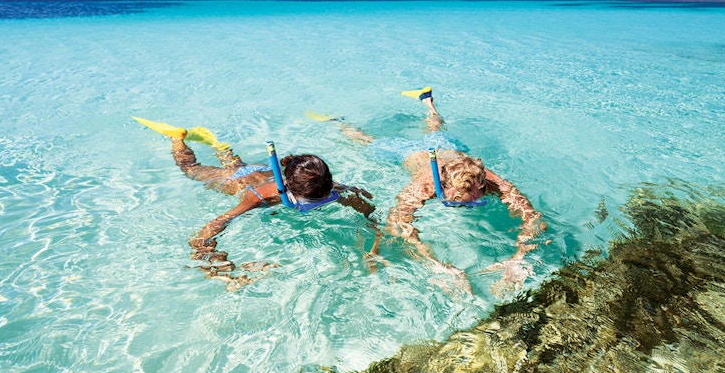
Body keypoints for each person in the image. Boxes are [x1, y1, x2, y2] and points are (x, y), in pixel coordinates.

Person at [334, 87, 544, 296]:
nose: (468, 206)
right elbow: (397, 223)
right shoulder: (425, 186)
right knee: (367, 142)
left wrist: (519, 259)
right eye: (459, 202)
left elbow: (533, 218)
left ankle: (428, 103)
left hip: (445, 146)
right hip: (411, 154)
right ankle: (339, 122)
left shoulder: (489, 181)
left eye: (474, 200)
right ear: (443, 188)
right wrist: (434, 264)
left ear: (481, 185)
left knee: (436, 128)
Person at [134, 117, 375, 290]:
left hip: (262, 173)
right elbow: (212, 227)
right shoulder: (260, 198)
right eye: (311, 201)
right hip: (239, 182)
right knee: (191, 170)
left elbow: (368, 207)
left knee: (238, 165)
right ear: (288, 189)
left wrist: (372, 244)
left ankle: (223, 150)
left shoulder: (328, 186)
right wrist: (214, 261)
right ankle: (177, 140)